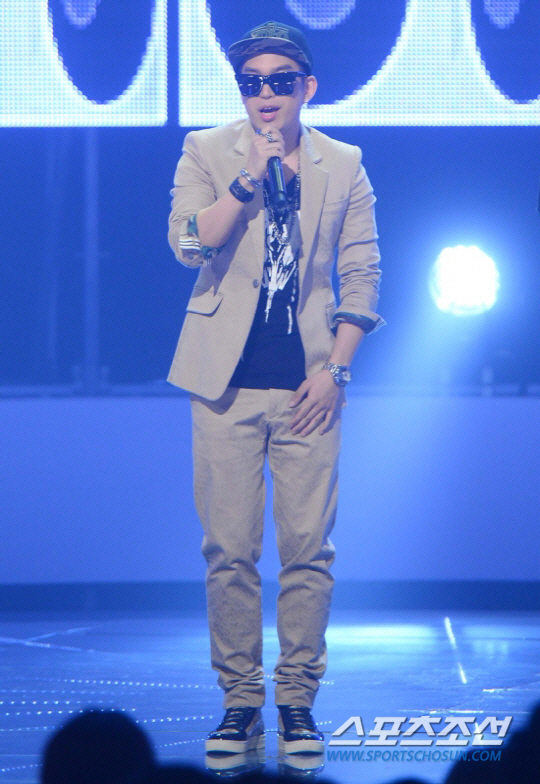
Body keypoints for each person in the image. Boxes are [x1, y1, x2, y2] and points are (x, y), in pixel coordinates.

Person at [167, 20, 384, 757]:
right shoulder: (206, 150)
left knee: (307, 551)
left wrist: (336, 370)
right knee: (229, 551)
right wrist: (246, 180)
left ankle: (296, 701)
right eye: (252, 83)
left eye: (280, 82)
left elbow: (362, 273)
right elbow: (188, 244)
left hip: (308, 387)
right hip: (223, 385)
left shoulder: (344, 164)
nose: (265, 95)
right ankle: (240, 704)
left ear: (306, 87)